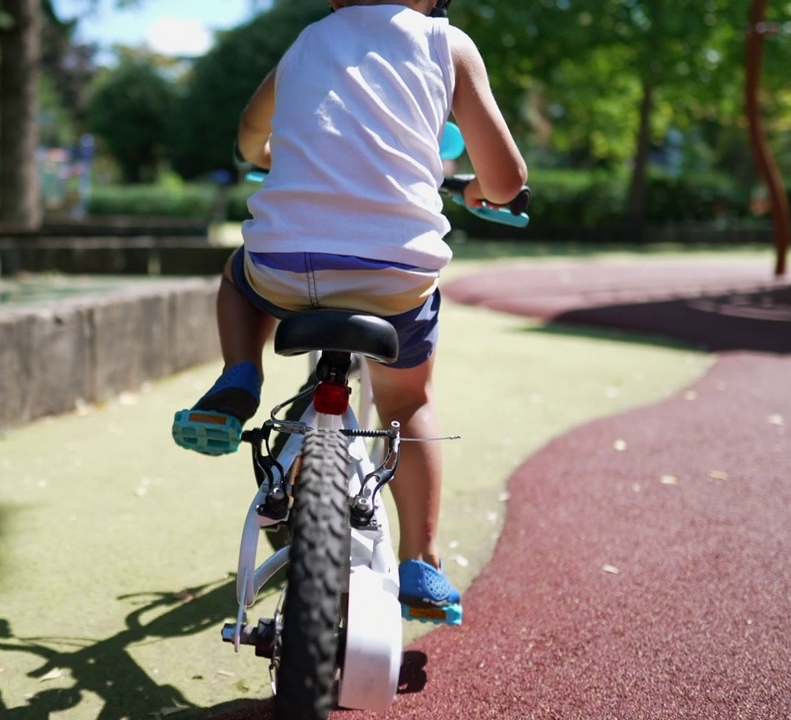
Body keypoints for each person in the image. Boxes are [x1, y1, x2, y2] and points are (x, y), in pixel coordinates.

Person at [171, 0, 527, 626]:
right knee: (407, 402)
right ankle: (421, 560)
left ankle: (239, 374)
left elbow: (250, 137)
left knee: (237, 276)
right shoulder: (448, 45)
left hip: (285, 264)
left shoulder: (307, 41)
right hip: (393, 276)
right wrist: (481, 190)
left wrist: (268, 155)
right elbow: (505, 178)